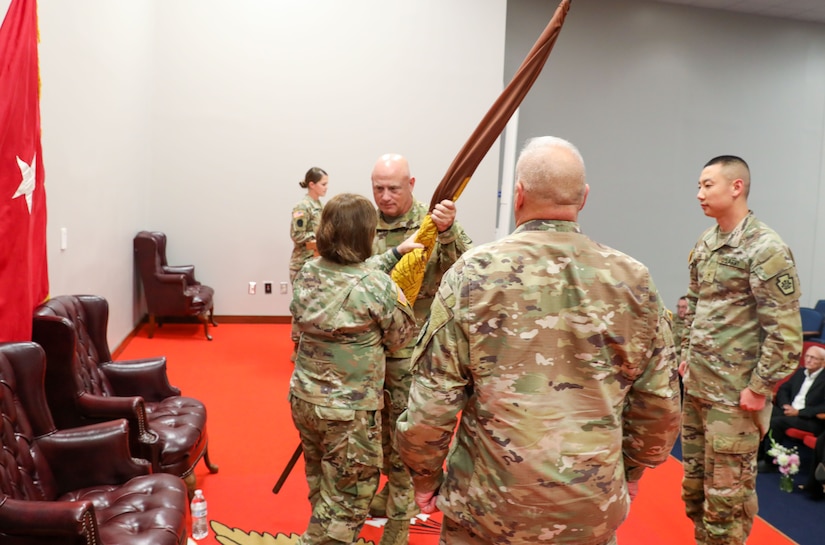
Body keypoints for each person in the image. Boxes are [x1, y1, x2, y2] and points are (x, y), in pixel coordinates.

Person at [395, 136, 681, 545]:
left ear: (519, 194)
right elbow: (660, 404)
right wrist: (631, 471)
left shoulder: (472, 275)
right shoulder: (633, 281)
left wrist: (424, 477)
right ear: (583, 198)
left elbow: (432, 402)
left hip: (487, 508)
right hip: (589, 508)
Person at [679, 155, 802, 545]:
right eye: (698, 186)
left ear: (736, 187)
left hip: (735, 399)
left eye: (707, 185)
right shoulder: (707, 242)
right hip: (699, 392)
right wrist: (685, 353)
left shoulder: (765, 248)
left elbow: (784, 335)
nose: (699, 194)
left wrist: (759, 388)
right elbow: (694, 303)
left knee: (727, 505)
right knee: (695, 496)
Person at [289, 193, 417, 545]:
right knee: (349, 501)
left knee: (322, 485)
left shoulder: (309, 272)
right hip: (349, 413)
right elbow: (400, 338)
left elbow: (353, 277)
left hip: (304, 399)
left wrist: (394, 254)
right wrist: (401, 295)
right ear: (365, 235)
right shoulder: (378, 288)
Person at [367, 153, 472, 545]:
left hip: (413, 351)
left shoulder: (433, 222)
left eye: (393, 187)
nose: (385, 196)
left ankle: (401, 512)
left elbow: (465, 268)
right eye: (378, 187)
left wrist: (447, 232)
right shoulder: (365, 223)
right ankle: (391, 493)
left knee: (407, 434)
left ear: (411, 185)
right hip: (372, 348)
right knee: (377, 431)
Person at [758, 344, 825, 472]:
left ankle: (770, 461)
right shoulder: (801, 372)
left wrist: (799, 412)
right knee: (764, 412)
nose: (809, 360)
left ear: (823, 363)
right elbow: (784, 389)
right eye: (807, 356)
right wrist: (785, 405)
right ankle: (758, 453)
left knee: (775, 422)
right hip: (789, 411)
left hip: (810, 419)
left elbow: (822, 406)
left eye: (814, 358)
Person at [289, 167, 329, 359]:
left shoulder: (318, 205)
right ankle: (297, 347)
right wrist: (319, 237)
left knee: (314, 304)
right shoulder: (302, 207)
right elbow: (297, 235)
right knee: (301, 304)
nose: (326, 188)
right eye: (323, 184)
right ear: (311, 184)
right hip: (302, 263)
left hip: (315, 261)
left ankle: (310, 345)